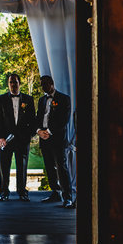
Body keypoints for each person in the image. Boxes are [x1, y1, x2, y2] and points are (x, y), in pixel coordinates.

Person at [0, 71, 36, 201]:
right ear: (8, 84)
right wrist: (0, 138)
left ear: (19, 83)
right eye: (11, 82)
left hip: (22, 140)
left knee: (22, 167)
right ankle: (4, 192)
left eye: (15, 82)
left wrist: (29, 135)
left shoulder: (28, 100)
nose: (13, 84)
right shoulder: (1, 99)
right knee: (4, 166)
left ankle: (22, 192)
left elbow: (32, 120)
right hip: (5, 140)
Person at [35, 74, 74, 208]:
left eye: (45, 84)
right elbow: (38, 118)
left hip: (57, 138)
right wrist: (39, 131)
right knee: (49, 168)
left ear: (51, 83)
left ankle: (68, 197)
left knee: (61, 168)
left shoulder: (64, 99)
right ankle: (55, 193)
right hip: (44, 138)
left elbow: (64, 119)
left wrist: (49, 131)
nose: (43, 87)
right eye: (42, 84)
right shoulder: (41, 100)